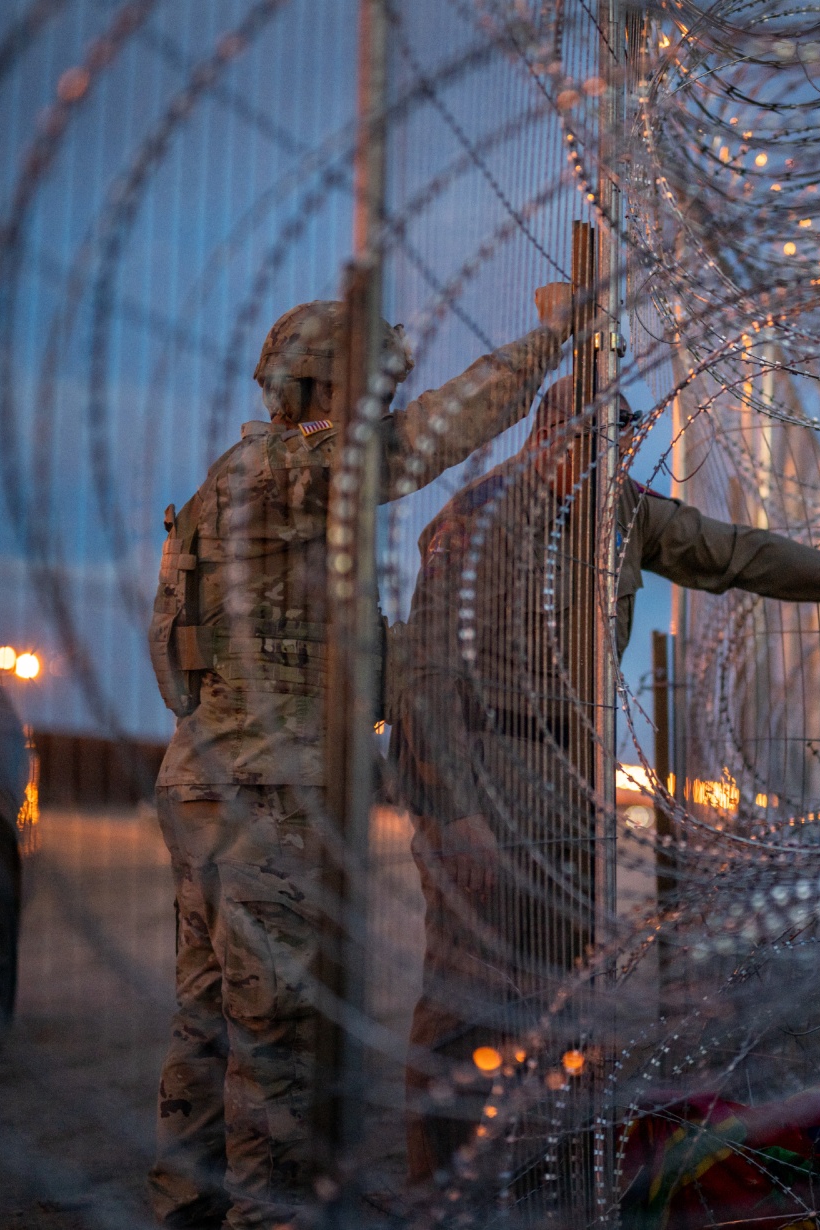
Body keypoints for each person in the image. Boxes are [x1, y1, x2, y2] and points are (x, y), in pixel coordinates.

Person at [390, 382, 820, 1184]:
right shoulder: (481, 519)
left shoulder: (621, 512)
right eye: (598, 448)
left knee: (555, 996)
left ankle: (526, 1179)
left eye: (622, 450)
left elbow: (738, 555)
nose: (613, 465)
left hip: (569, 781)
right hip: (487, 774)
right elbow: (427, 682)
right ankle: (433, 1191)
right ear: (550, 437)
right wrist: (451, 815)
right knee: (464, 993)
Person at [144, 284, 578, 1230]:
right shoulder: (292, 469)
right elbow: (419, 444)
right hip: (272, 792)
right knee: (279, 1037)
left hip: (212, 774)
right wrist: (547, 336)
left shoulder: (232, 482)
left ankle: (188, 1209)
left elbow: (172, 656)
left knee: (209, 1019)